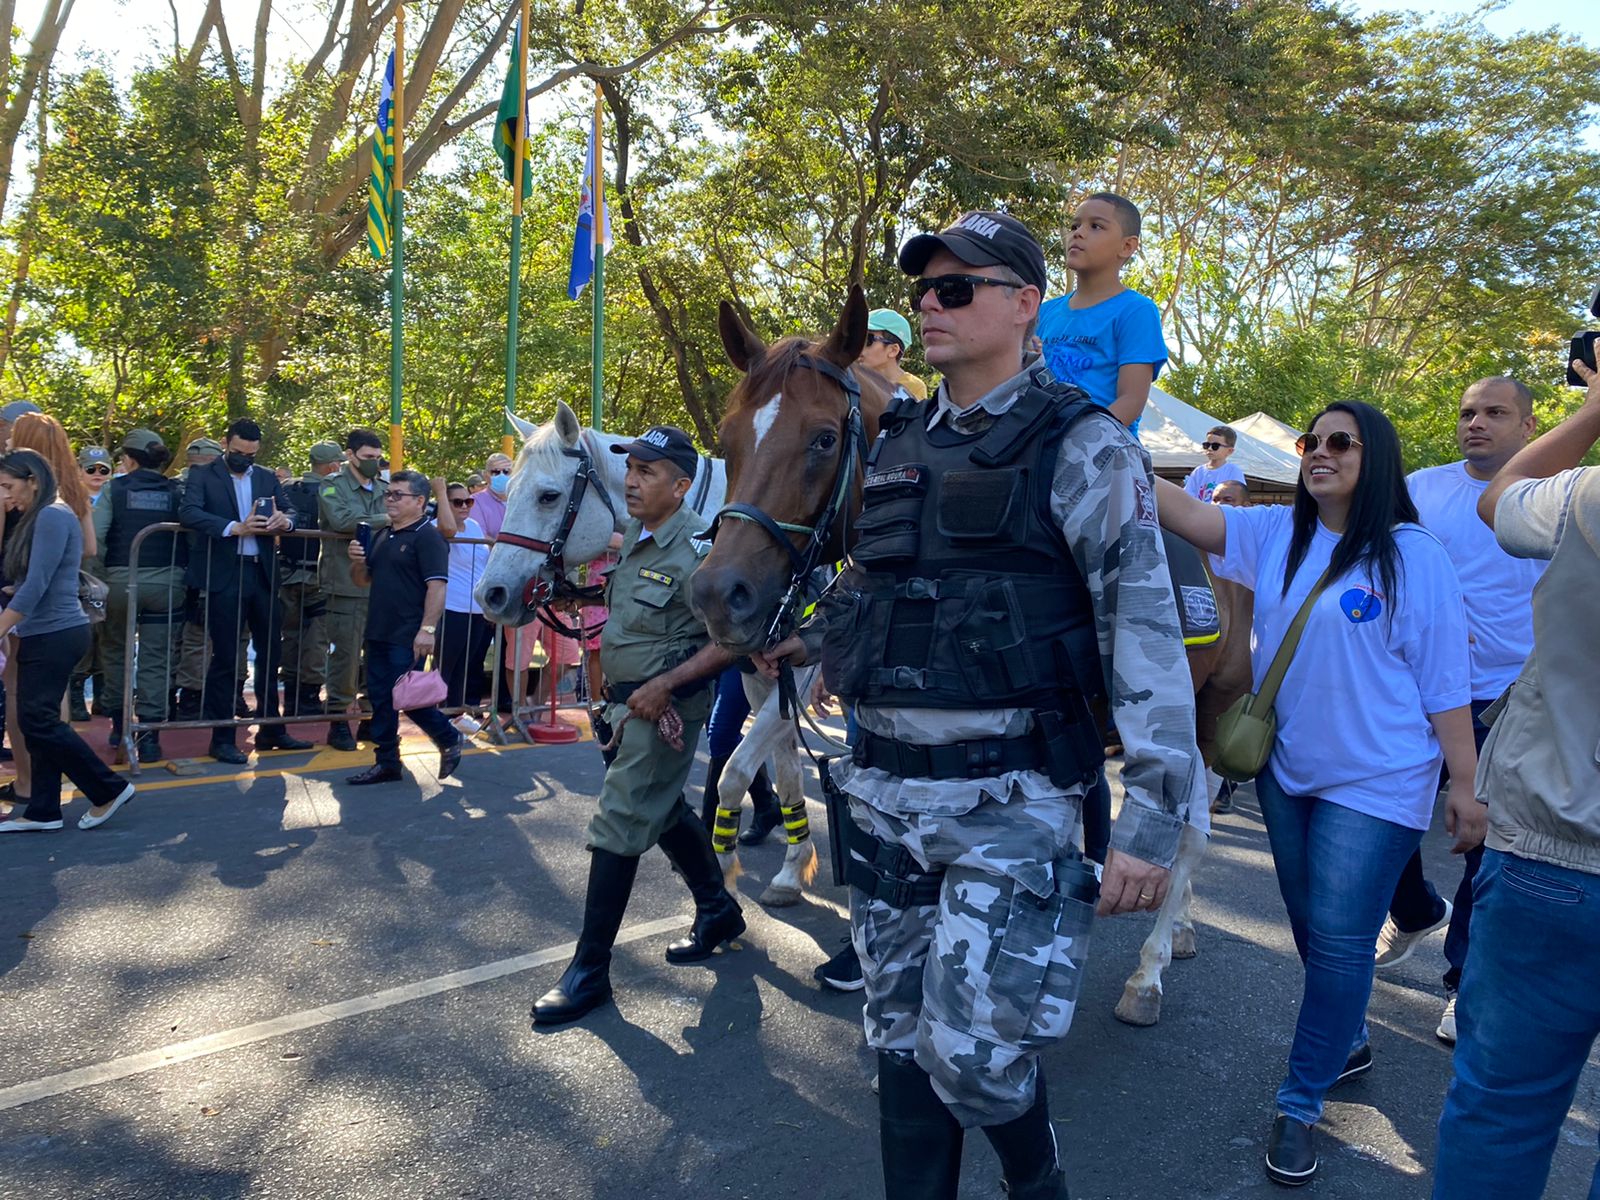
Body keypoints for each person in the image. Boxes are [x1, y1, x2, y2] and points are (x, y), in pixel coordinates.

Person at [756, 210, 1205, 1200]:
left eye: (955, 288)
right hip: (878, 796)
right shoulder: (897, 440)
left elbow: (1144, 634)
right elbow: (880, 585)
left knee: (977, 1059)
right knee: (900, 1047)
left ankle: (1038, 1186)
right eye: (923, 289)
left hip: (1014, 802)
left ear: (1021, 304)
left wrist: (1155, 817)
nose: (928, 304)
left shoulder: (1084, 446)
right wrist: (824, 642)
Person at [1153, 400, 1482, 1187]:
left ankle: (1300, 1102)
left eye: (1343, 442)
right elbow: (1181, 514)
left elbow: (1444, 681)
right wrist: (1101, 438)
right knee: (1312, 929)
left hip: (1379, 784)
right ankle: (1346, 1038)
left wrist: (1464, 782)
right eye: (1313, 441)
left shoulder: (1413, 555)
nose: (1321, 453)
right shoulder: (1275, 533)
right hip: (1286, 772)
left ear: (1377, 461)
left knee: (1337, 941)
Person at [1432, 357, 1600, 1200]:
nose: (1476, 424)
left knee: (1503, 1111)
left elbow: (1502, 499)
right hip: (1549, 848)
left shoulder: (1585, 495)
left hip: (1560, 854)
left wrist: (1597, 408)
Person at [531, 425, 744, 1027]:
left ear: (680, 486)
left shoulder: (701, 547)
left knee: (620, 819)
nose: (632, 480)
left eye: (648, 472)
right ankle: (717, 908)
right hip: (625, 705)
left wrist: (664, 686)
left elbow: (733, 639)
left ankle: (589, 971)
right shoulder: (638, 542)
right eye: (630, 469)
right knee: (663, 809)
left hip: (665, 708)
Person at [1374, 377, 1543, 1046]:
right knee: (1384, 819)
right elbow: (1383, 569)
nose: (1477, 422)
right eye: (1468, 411)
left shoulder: (1555, 492)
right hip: (1417, 688)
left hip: (1507, 695)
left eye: (1496, 413)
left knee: (1485, 845)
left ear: (1530, 426)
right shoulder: (1421, 489)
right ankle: (1414, 908)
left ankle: (1463, 982)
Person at [0, 451, 134, 833]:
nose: (7, 496)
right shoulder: (44, 516)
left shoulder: (51, 515)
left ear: (33, 480)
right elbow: (38, 580)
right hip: (46, 631)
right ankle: (43, 810)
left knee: (38, 721)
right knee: (36, 721)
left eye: (9, 486)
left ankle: (109, 787)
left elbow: (37, 588)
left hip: (56, 632)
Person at [179, 417, 312, 763]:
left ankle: (272, 728)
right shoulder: (202, 475)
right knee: (226, 657)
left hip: (263, 574)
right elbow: (189, 513)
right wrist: (233, 527)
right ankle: (222, 736)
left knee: (271, 652)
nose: (244, 459)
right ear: (226, 444)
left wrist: (287, 521)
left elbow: (293, 510)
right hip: (225, 575)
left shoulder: (266, 477)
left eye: (251, 455)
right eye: (238, 453)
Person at [342, 471, 462, 786]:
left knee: (407, 697)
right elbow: (362, 580)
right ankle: (387, 762)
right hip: (378, 629)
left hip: (407, 633)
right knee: (380, 699)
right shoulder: (382, 534)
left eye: (399, 495)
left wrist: (428, 629)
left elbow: (437, 586)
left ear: (420, 501)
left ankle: (448, 737)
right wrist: (356, 561)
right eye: (389, 494)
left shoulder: (428, 537)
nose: (391, 500)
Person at [1035, 192, 1167, 433]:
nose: (1078, 233)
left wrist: (1073, 441)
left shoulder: (1136, 311)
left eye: (1095, 226)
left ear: (1127, 246)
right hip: (1038, 448)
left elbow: (1131, 400)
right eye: (1075, 225)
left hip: (1101, 453)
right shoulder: (1045, 312)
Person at [93, 430, 186, 764]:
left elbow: (97, 537)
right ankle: (148, 738)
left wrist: (101, 580)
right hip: (167, 585)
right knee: (157, 659)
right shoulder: (177, 491)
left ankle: (120, 729)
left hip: (120, 582)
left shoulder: (113, 489)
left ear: (129, 460)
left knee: (116, 652)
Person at [318, 428, 388, 751]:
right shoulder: (332, 486)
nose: (374, 463)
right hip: (344, 585)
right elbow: (341, 519)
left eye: (377, 458)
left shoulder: (385, 488)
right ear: (350, 455)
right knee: (344, 657)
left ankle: (370, 719)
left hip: (379, 585)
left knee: (375, 657)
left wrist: (380, 518)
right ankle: (338, 721)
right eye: (367, 458)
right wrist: (385, 517)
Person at [277, 441, 342, 718]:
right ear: (333, 466)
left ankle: (291, 697)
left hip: (287, 573)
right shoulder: (335, 491)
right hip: (319, 577)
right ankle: (307, 699)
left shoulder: (288, 488)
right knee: (317, 639)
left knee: (290, 636)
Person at [438, 482, 494, 708]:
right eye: (457, 502)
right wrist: (440, 492)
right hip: (452, 608)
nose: (464, 506)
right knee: (445, 666)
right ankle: (438, 714)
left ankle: (456, 712)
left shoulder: (474, 526)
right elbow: (448, 531)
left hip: (477, 608)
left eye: (468, 501)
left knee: (466, 665)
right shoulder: (438, 527)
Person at [67, 444, 113, 722]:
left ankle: (102, 696)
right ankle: (74, 696)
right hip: (81, 574)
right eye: (91, 469)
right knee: (85, 635)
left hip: (108, 574)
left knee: (106, 635)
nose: (97, 473)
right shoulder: (71, 498)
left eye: (103, 469)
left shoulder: (114, 496)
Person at [859, 308, 930, 400]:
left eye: (867, 340)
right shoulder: (854, 382)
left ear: (893, 350)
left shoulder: (914, 388)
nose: (858, 347)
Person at [1183, 426, 1247, 502]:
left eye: (1215, 446)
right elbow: (1188, 496)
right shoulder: (1199, 471)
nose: (1209, 449)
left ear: (1229, 451)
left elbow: (1239, 498)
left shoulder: (1233, 471)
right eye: (1206, 445)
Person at [470, 452, 513, 540]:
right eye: (495, 472)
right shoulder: (475, 501)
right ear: (486, 476)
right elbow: (479, 536)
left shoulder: (522, 500)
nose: (502, 476)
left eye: (506, 471)